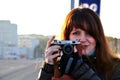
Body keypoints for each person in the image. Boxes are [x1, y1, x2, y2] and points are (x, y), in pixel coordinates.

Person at [37, 7, 120, 80]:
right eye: (76, 33)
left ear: (98, 37)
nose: (82, 39)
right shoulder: (59, 66)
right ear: (67, 37)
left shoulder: (115, 67)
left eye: (89, 33)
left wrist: (80, 70)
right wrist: (48, 68)